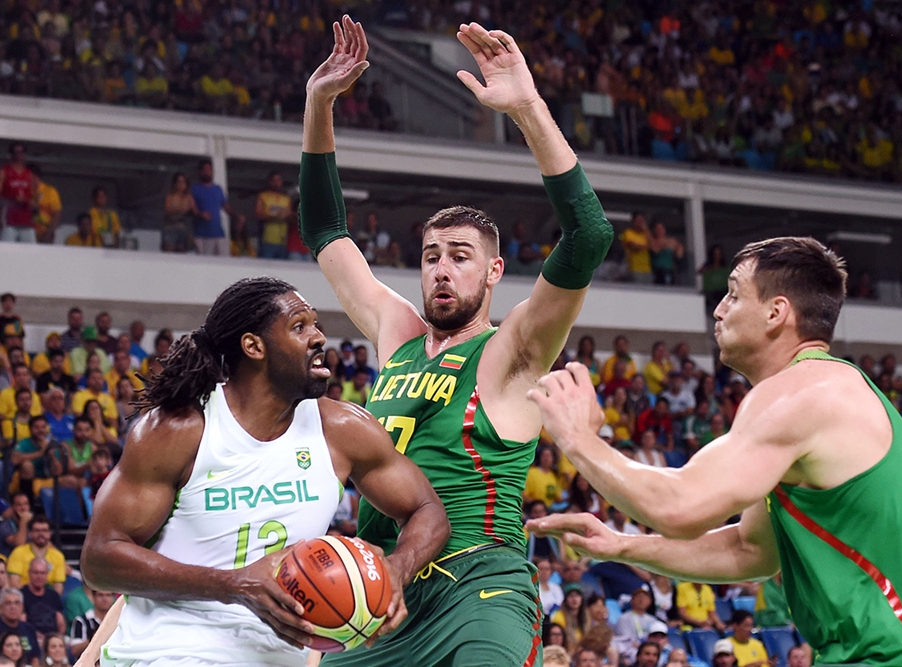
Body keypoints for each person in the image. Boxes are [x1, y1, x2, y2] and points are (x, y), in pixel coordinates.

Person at [299, 17, 611, 667]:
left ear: (493, 271)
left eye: (461, 256)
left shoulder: (512, 350)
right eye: (432, 255)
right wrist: (319, 104)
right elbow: (327, 227)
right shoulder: (397, 333)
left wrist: (527, 108)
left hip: (481, 585)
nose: (442, 267)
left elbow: (588, 237)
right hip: (386, 591)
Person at [528, 237, 902, 665]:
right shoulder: (819, 390)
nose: (719, 308)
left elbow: (681, 505)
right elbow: (751, 551)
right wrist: (623, 545)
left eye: (733, 294)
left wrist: (577, 438)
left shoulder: (803, 393)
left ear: (776, 313)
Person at [75, 277, 449, 667]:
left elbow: (428, 510)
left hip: (274, 657)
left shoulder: (344, 430)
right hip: (172, 649)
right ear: (254, 346)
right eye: (300, 326)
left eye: (316, 324)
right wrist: (234, 585)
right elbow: (100, 559)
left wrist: (395, 570)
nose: (320, 338)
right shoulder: (180, 430)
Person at [189, 159, 244, 256]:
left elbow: (226, 206)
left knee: (224, 262)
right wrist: (201, 214)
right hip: (202, 234)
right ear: (200, 171)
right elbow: (192, 208)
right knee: (205, 264)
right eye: (205, 169)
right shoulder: (195, 189)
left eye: (209, 169)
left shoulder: (218, 189)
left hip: (218, 233)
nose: (207, 172)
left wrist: (236, 216)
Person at [6, 517, 65, 595]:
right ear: (30, 534)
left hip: (48, 599)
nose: (41, 534)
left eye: (44, 530)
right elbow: (14, 583)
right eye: (37, 530)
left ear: (50, 534)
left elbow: (59, 588)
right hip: (24, 598)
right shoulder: (18, 552)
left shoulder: (58, 556)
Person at [0, 143, 37, 244]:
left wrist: (32, 202)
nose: (18, 155)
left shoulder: (29, 174)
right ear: (11, 154)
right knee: (7, 251)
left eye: (21, 152)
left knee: (31, 252)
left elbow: (33, 198)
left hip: (26, 222)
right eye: (15, 152)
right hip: (9, 221)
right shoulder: (4, 172)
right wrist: (12, 200)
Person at [20, 559, 64, 637]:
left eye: (43, 573)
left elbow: (61, 623)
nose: (39, 577)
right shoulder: (21, 595)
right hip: (31, 637)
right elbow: (22, 623)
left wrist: (56, 638)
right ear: (29, 573)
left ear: (47, 574)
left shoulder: (53, 595)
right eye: (36, 573)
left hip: (53, 639)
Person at [68, 588, 114, 660]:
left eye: (108, 595)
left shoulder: (119, 620)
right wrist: (93, 639)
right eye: (100, 595)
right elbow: (74, 650)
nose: (104, 599)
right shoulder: (81, 621)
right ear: (93, 597)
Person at [256, 171, 293, 259]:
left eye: (279, 180)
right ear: (270, 182)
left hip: (283, 240)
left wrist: (288, 217)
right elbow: (257, 215)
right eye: (274, 180)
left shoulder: (286, 199)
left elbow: (290, 217)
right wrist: (273, 217)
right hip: (267, 239)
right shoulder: (263, 196)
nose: (276, 183)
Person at [162, 172, 198, 253]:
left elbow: (194, 211)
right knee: (169, 250)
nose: (180, 185)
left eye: (183, 182)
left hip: (183, 227)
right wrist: (182, 209)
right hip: (171, 226)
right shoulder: (170, 196)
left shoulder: (189, 197)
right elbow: (168, 209)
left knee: (181, 251)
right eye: (178, 182)